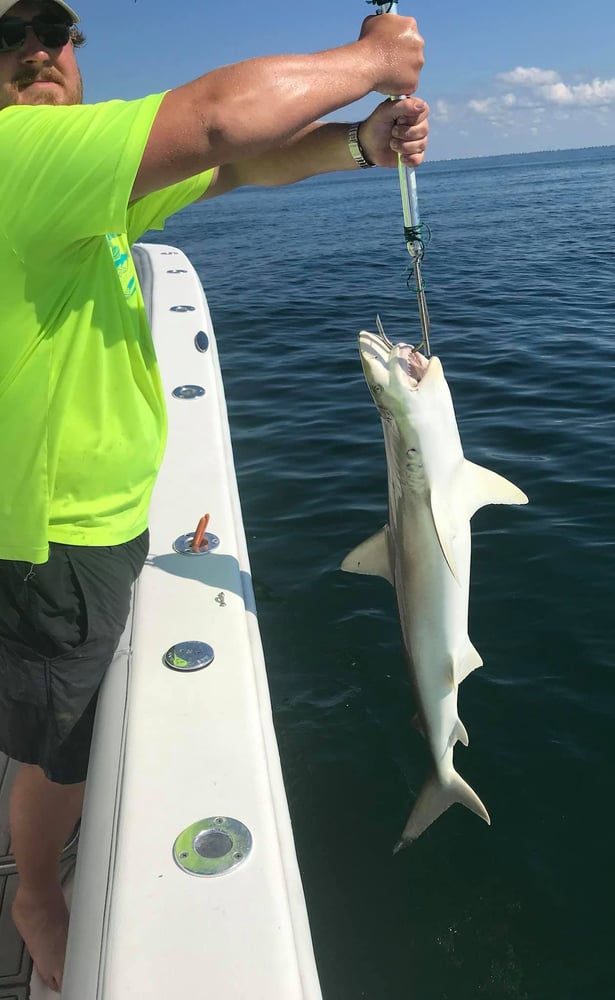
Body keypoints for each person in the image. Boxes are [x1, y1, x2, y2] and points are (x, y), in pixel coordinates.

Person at [0, 0, 428, 990]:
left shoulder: (70, 186)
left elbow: (229, 166)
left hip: (83, 526)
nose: (34, 51)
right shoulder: (22, 155)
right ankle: (35, 892)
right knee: (61, 748)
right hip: (57, 540)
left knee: (67, 721)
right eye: (7, 36)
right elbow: (222, 120)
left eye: (52, 31)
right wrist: (370, 59)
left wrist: (359, 146)